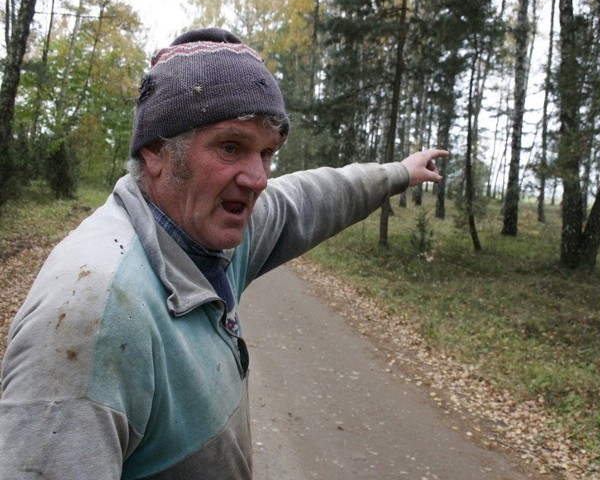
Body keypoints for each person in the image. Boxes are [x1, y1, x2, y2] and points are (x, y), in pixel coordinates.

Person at [0, 27, 447, 479]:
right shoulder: (90, 315)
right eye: (231, 147)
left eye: (267, 153)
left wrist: (397, 173)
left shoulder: (207, 233)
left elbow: (309, 197)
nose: (257, 178)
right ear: (156, 149)